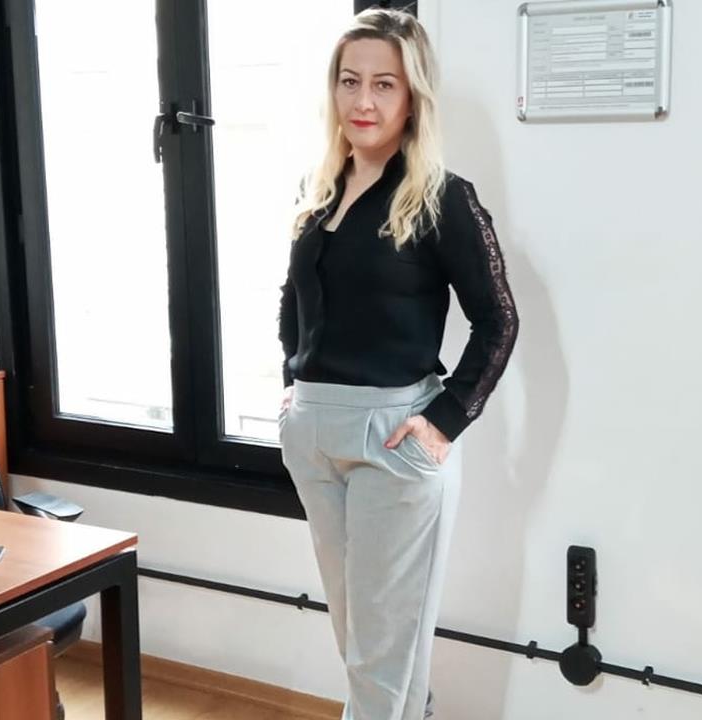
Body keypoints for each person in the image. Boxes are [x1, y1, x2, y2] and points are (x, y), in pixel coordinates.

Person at [277, 8, 519, 720]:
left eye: (384, 84)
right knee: (362, 641)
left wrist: (444, 421)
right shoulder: (318, 190)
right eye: (350, 81)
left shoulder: (442, 196)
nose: (364, 101)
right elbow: (294, 299)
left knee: (383, 653)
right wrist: (295, 380)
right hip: (314, 435)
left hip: (395, 437)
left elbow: (499, 320)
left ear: (413, 96)